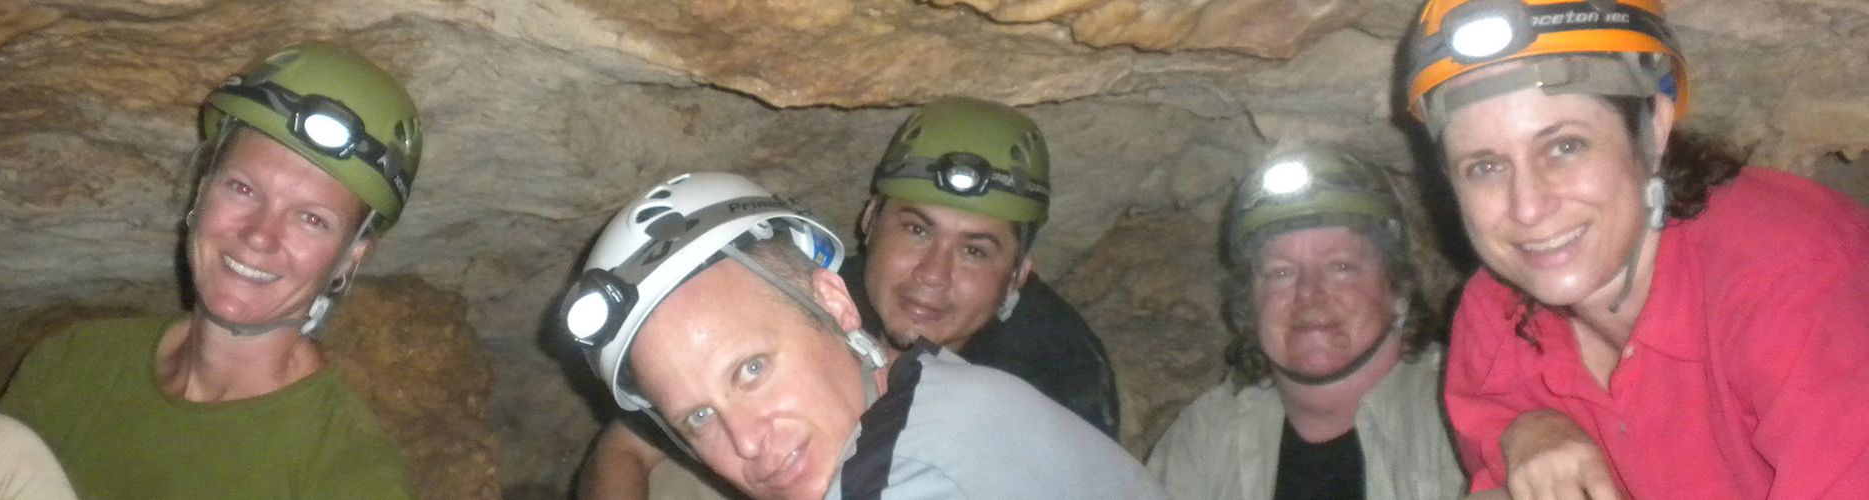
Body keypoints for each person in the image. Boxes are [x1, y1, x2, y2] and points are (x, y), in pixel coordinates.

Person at [0, 41, 422, 499]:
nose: (259, 235)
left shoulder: (347, 470)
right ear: (200, 195)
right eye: (243, 188)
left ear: (349, 259)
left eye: (310, 219)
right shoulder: (76, 366)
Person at [1403, 0, 1869, 498]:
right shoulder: (1495, 314)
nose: (1529, 207)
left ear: (1653, 128)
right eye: (1485, 167)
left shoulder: (1794, 274)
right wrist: (1524, 431)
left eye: (1565, 146)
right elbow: (1487, 433)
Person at [576, 96, 1120, 499]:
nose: (932, 275)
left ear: (1018, 277)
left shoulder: (1057, 375)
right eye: (916, 231)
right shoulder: (814, 292)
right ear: (869, 224)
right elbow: (625, 446)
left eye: (975, 252)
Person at [1146, 147, 1464, 499]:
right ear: (1250, 303)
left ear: (1397, 288)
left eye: (1341, 267)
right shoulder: (1208, 434)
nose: (1309, 294)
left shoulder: (1464, 407)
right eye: (1281, 272)